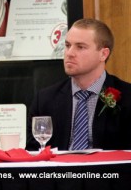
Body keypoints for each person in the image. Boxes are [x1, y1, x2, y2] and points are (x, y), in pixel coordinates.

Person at [26, 18, 131, 151]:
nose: (69, 53)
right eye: (68, 45)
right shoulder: (45, 99)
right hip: (59, 171)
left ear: (103, 54)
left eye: (80, 47)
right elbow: (33, 153)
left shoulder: (127, 97)